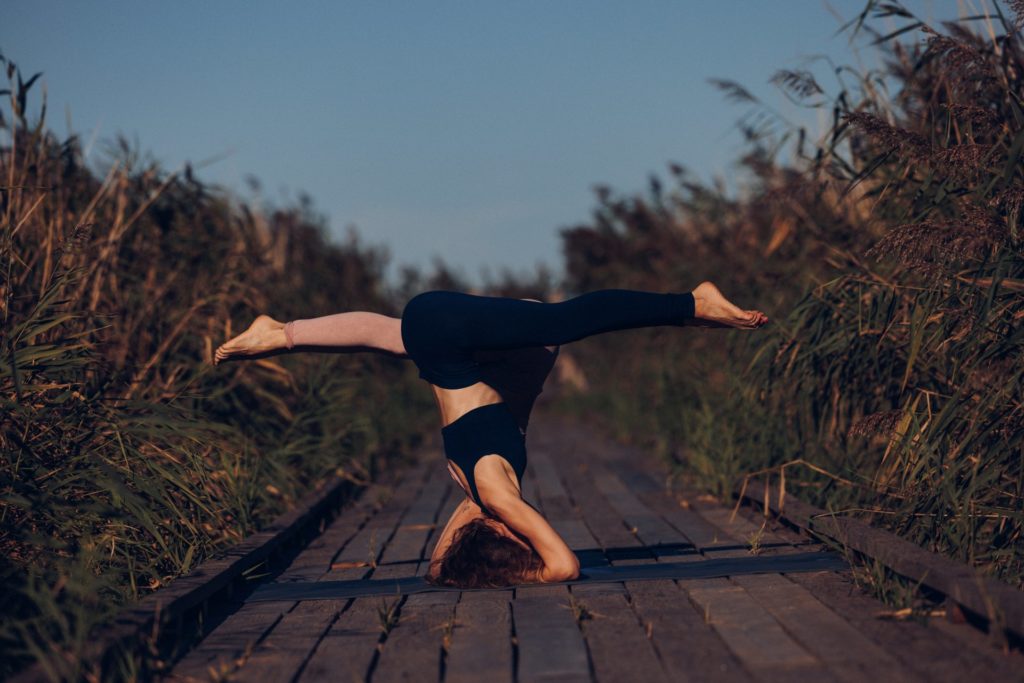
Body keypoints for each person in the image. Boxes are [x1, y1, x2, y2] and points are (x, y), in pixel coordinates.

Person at [213, 282, 768, 588]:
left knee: (560, 322)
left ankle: (694, 302)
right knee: (387, 337)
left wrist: (530, 568)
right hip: (441, 340)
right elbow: (440, 568)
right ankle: (281, 334)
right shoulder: (474, 497)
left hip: (446, 332)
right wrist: (483, 567)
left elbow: (564, 566)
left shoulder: (495, 495)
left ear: (499, 531)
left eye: (514, 538)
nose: (524, 534)